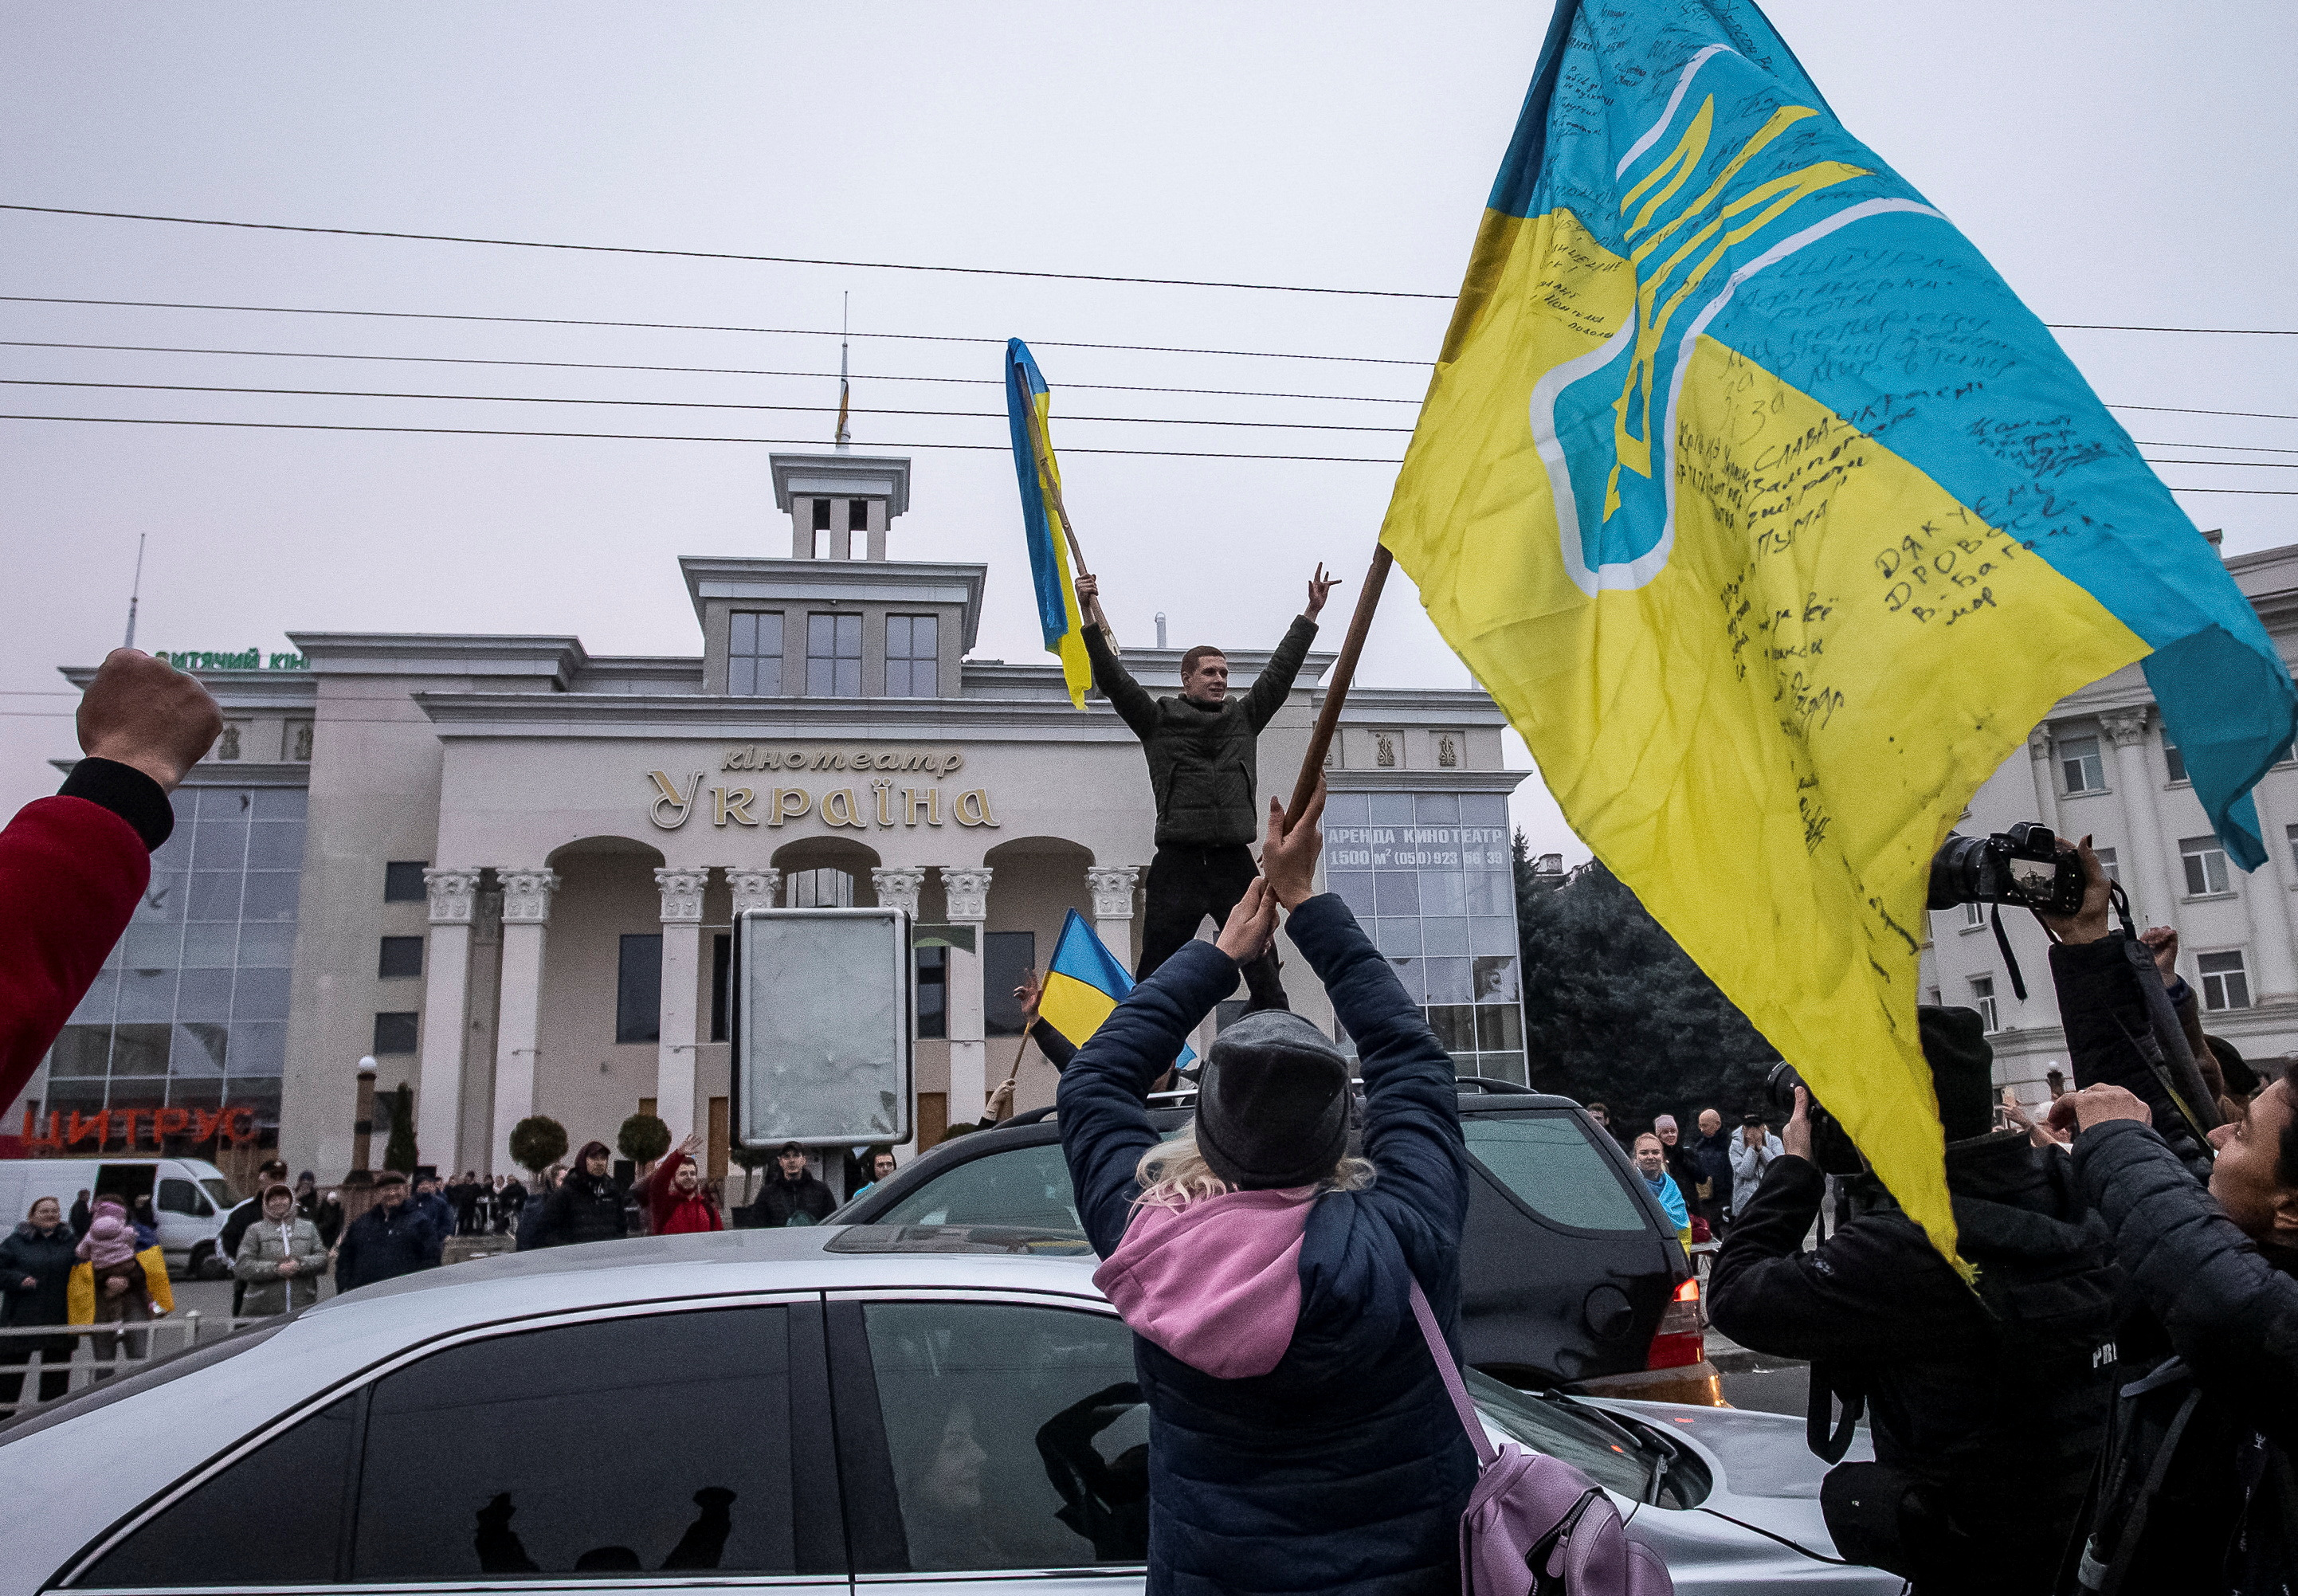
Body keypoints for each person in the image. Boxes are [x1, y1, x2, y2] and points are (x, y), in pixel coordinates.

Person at [1057, 782, 1476, 1594]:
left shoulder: (1151, 1240)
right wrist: (1307, 901)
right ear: (1341, 1130)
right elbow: (1412, 1058)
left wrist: (1215, 958)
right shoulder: (1407, 1231)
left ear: (1206, 1131)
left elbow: (1093, 1082)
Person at [1706, 1008, 2120, 1595]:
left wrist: (1795, 1171)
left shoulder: (1902, 1249)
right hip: (2084, 1533)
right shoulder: (2067, 1187)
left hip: (1972, 1555)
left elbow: (1734, 1293)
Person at [2033, 835, 2298, 1589]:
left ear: (2290, 1210)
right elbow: (2164, 1142)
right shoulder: (2251, 1239)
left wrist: (2117, 1142)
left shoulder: (2254, 1308)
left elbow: (2223, 1301)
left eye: (2242, 1133)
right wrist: (2087, 941)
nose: (2217, 1133)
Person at [1073, 565, 1335, 1012]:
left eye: (1225, 673)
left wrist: (1310, 614)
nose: (1220, 679)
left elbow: (1279, 674)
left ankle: (1278, 1033)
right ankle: (1146, 1045)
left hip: (1234, 862)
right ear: (1187, 679)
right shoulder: (1157, 721)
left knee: (1265, 972)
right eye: (1210, 672)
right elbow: (1113, 680)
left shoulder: (1244, 718)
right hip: (1179, 863)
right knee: (1155, 975)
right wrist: (1088, 613)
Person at [67, 1197, 172, 1377]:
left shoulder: (139, 1234)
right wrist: (106, 1281)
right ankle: (104, 1393)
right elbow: (79, 1274)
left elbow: (152, 1271)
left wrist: (126, 1279)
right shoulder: (90, 1235)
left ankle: (141, 1391)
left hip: (135, 1303)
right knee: (104, 1360)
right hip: (100, 1305)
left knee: (139, 1356)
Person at [0, 1195, 78, 1410]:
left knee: (56, 1385)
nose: (50, 1215)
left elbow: (86, 1268)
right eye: (44, 1211)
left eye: (54, 1211)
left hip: (59, 1319)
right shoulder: (15, 1243)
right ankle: (5, 1422)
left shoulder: (71, 1242)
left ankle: (53, 1421)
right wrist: (17, 1279)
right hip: (20, 1320)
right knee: (8, 1383)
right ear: (32, 1216)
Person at [233, 1182, 328, 1316]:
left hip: (302, 1305)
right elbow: (243, 1266)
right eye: (273, 1199)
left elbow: (322, 1259)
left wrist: (300, 1264)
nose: (278, 1202)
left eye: (283, 1198)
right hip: (262, 1309)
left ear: (291, 1200)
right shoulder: (255, 1230)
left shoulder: (308, 1227)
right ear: (266, 1203)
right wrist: (276, 1269)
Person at [335, 1171, 441, 1291]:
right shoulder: (362, 1224)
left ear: (405, 1190)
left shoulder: (420, 1222)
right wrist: (345, 1287)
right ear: (378, 1193)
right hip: (365, 1294)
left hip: (403, 1294)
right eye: (386, 1189)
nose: (392, 1193)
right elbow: (345, 1259)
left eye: (396, 1188)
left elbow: (431, 1260)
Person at [220, 1158, 290, 1316]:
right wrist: (245, 1268)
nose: (279, 1182)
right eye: (274, 1177)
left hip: (288, 1290)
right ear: (262, 1179)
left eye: (282, 1177)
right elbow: (226, 1243)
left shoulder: (297, 1212)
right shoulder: (243, 1213)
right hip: (252, 1289)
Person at [527, 1141, 629, 1248]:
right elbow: (546, 1230)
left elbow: (622, 1226)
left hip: (607, 1254)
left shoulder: (612, 1192)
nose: (599, 1163)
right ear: (583, 1160)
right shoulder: (565, 1194)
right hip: (576, 1256)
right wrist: (569, 1251)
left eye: (603, 1158)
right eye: (594, 1158)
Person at [641, 1135, 724, 1236]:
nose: (689, 1177)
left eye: (692, 1173)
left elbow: (719, 1240)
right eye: (683, 1174)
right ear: (673, 1179)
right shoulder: (663, 1205)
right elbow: (658, 1182)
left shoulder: (709, 1208)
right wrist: (678, 1154)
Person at [742, 1143, 836, 1228]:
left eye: (796, 1156)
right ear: (780, 1162)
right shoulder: (768, 1193)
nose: (791, 1161)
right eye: (786, 1157)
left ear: (804, 1160)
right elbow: (757, 1226)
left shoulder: (821, 1190)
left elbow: (833, 1223)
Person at [1631, 1133, 1692, 1245]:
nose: (1650, 1157)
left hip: (1675, 1249)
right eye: (1644, 1153)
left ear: (1662, 1156)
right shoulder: (1630, 1186)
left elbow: (1684, 1225)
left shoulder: (1672, 1187)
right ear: (1635, 1157)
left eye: (1655, 1152)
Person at [1688, 1107, 1735, 1233]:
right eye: (1700, 1126)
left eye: (1705, 1125)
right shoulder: (1699, 1146)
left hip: (1726, 1197)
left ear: (1717, 1125)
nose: (1701, 1129)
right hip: (1706, 1199)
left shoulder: (1730, 1144)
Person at [1728, 1115, 1784, 1210]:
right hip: (1745, 1202)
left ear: (1762, 1128)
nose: (1753, 1130)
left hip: (1769, 1198)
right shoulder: (1735, 1145)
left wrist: (1761, 1148)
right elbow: (1746, 1173)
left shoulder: (1775, 1142)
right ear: (1744, 1129)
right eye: (1749, 1127)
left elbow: (1777, 1168)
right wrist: (1751, 1148)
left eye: (1756, 1127)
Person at [514, 1166, 559, 1249]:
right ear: (550, 1182)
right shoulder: (537, 1204)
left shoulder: (567, 1201)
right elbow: (526, 1235)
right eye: (562, 1180)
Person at [298, 1174, 345, 1249]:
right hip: (323, 1233)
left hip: (332, 1233)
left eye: (334, 1200)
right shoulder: (323, 1207)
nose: (332, 1202)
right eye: (331, 1200)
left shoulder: (338, 1210)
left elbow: (338, 1223)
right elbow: (318, 1218)